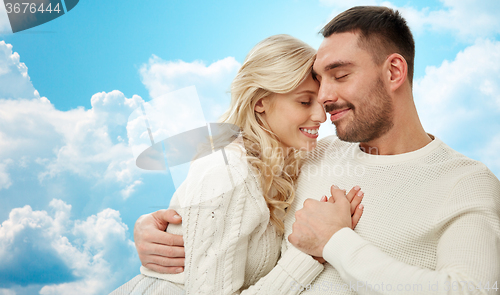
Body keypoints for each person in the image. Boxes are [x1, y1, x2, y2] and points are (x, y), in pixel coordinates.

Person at [132, 6, 500, 294]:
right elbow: (224, 210)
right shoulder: (310, 154)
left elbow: (472, 290)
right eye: (318, 82)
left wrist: (336, 243)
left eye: (339, 76)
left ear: (393, 72)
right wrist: (167, 229)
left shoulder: (464, 182)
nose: (323, 99)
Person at [111, 34, 364, 294]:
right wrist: (311, 254)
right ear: (260, 102)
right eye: (304, 101)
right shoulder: (229, 171)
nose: (321, 116)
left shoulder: (282, 166)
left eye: (321, 102)